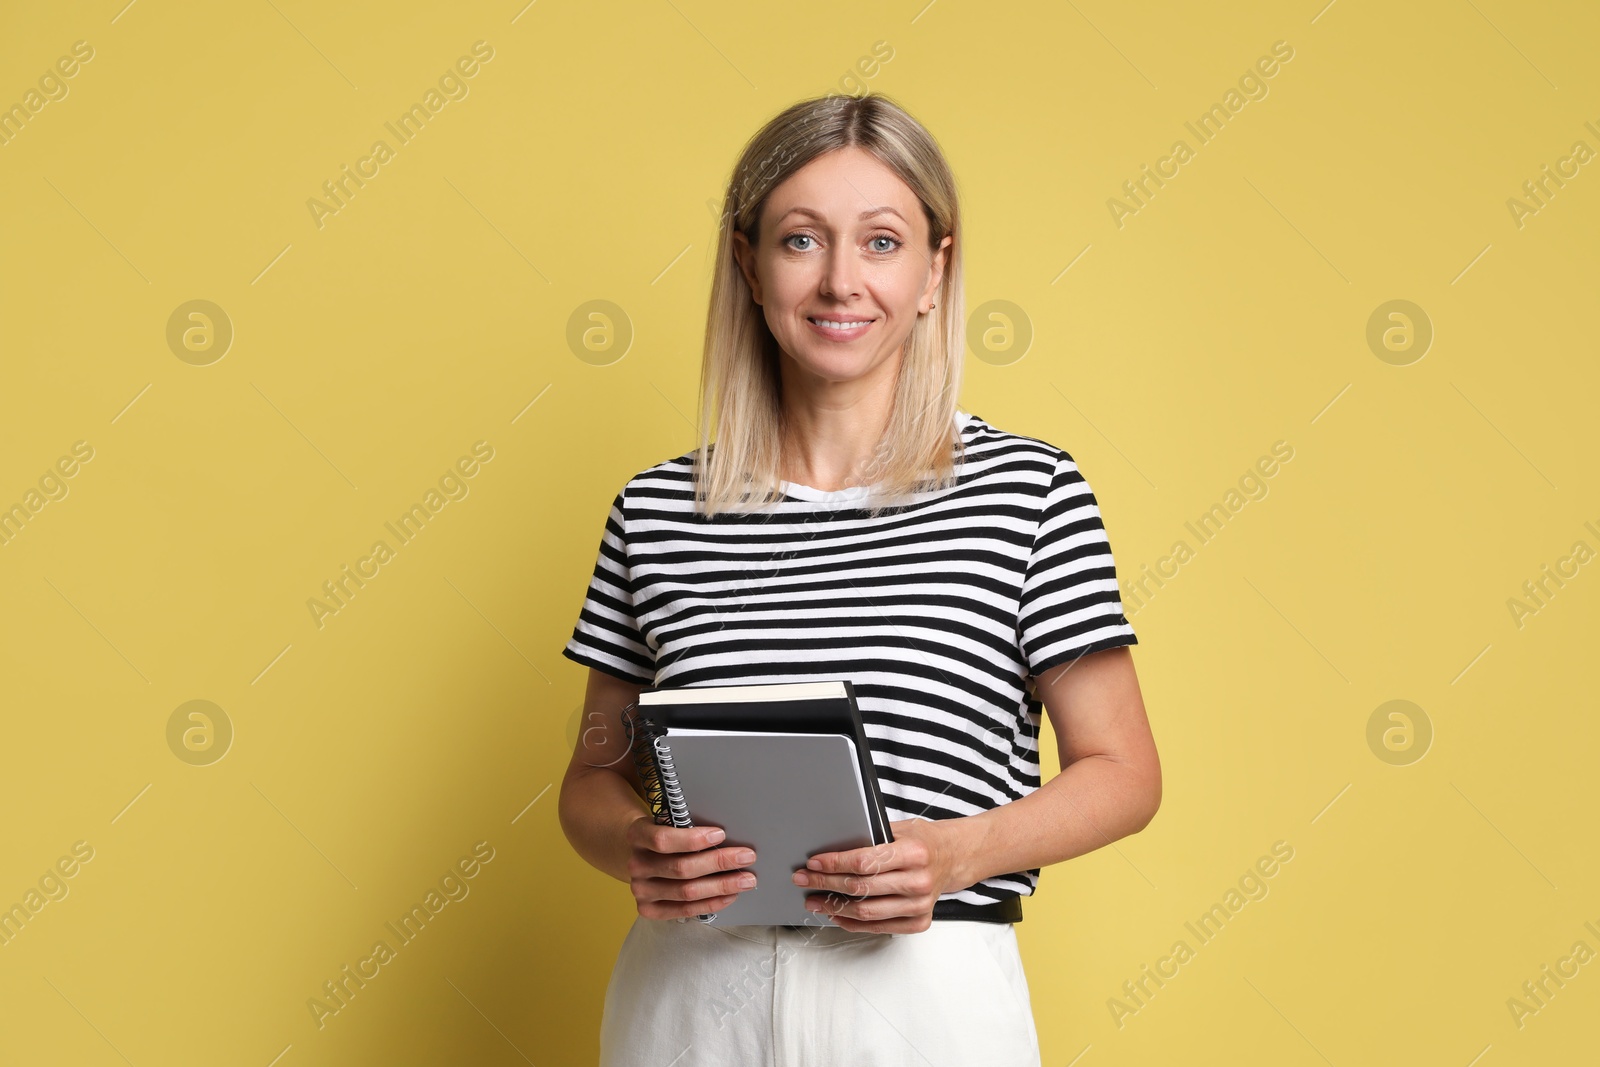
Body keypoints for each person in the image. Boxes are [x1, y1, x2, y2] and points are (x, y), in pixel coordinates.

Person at [558, 92, 1161, 1067]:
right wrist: (633, 843)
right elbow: (592, 770)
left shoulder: (1027, 492)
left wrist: (957, 852)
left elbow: (1125, 771)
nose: (841, 281)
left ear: (936, 270)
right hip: (691, 992)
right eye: (802, 240)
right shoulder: (657, 509)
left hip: (922, 993)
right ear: (749, 264)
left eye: (881, 241)